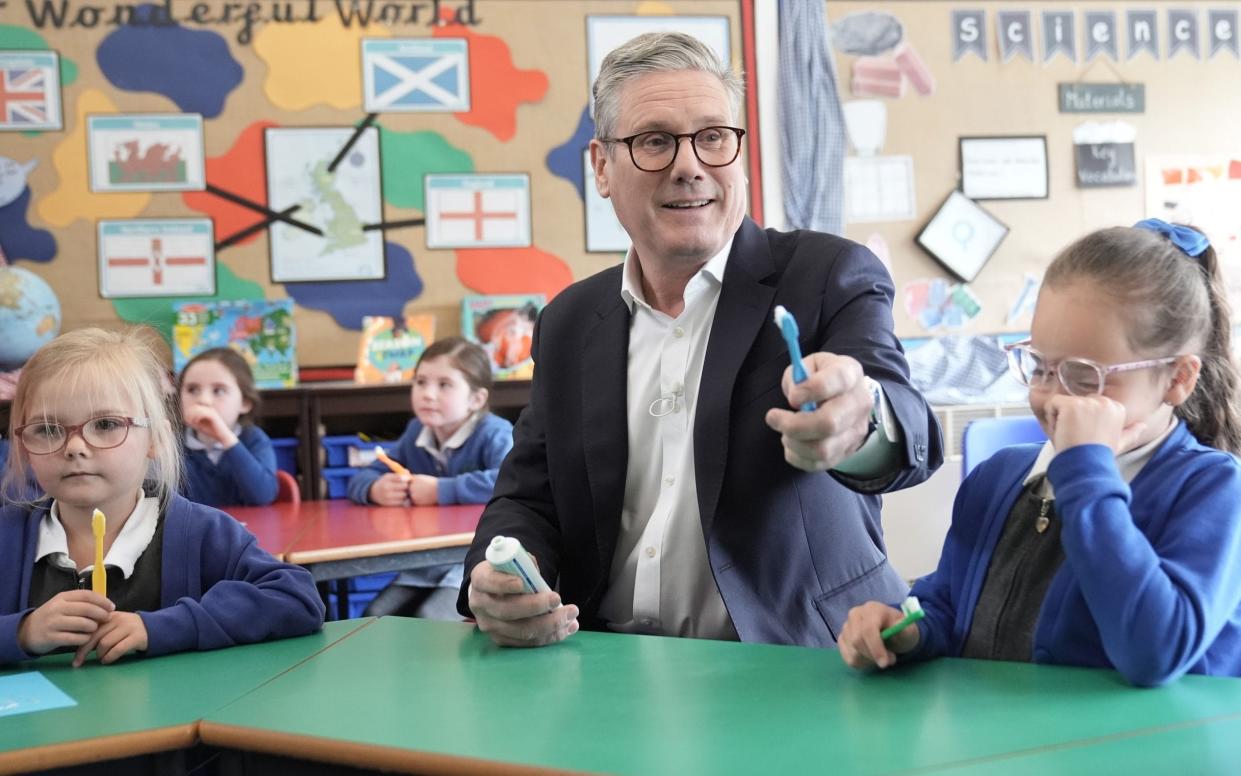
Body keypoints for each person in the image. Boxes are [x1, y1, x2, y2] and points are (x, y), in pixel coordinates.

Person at [459, 32, 941, 647]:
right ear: (602, 167)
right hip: (607, 665)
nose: (689, 165)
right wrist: (498, 577)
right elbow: (529, 497)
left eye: (713, 136)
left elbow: (907, 425)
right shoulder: (570, 321)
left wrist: (863, 420)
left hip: (794, 664)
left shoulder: (826, 276)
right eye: (655, 141)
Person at [839, 221, 1241, 687]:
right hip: (1008, 751)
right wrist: (903, 630)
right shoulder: (1000, 477)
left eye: (1085, 375)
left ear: (1177, 379)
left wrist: (1087, 472)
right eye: (1041, 367)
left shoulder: (1213, 489)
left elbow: (1156, 650)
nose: (1051, 397)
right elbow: (947, 604)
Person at [0, 327, 324, 665]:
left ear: (154, 438)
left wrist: (162, 628)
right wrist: (21, 631)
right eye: (48, 430)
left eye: (107, 424)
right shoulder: (8, 536)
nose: (75, 447)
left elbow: (297, 598)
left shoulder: (201, 532)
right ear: (23, 445)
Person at [348, 337, 513, 618]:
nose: (427, 394)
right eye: (420, 382)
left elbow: (508, 481)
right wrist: (374, 488)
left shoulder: (494, 432)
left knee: (431, 618)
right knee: (374, 616)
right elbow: (364, 476)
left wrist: (441, 490)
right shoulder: (416, 433)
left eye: (444, 385)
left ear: (476, 399)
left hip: (476, 560)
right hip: (427, 564)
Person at [179, 347, 278, 507]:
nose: (203, 400)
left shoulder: (253, 438)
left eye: (218, 391)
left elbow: (263, 495)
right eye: (192, 390)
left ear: (245, 403)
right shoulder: (174, 445)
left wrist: (226, 439)